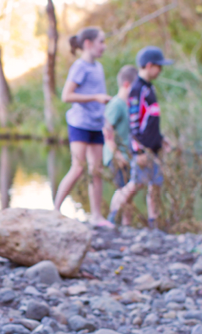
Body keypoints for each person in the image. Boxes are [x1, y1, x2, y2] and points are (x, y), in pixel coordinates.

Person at [108, 46, 173, 229]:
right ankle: (112, 216)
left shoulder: (149, 88)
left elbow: (150, 121)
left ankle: (154, 223)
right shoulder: (137, 89)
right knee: (135, 185)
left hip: (154, 147)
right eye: (159, 66)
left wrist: (161, 139)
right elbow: (135, 123)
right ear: (150, 65)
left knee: (155, 185)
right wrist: (138, 150)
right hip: (142, 149)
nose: (160, 70)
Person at [54, 27, 113, 228]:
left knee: (96, 170)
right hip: (79, 123)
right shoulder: (80, 67)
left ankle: (96, 216)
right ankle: (55, 210)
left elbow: (101, 94)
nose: (104, 46)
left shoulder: (98, 68)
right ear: (88, 44)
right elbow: (66, 96)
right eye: (101, 42)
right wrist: (95, 98)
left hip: (96, 124)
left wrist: (105, 121)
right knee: (78, 168)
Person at [102, 64, 138, 226]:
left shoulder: (129, 105)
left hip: (127, 155)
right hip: (116, 156)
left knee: (129, 192)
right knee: (123, 190)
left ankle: (126, 224)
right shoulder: (116, 104)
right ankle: (113, 218)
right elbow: (107, 131)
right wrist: (117, 155)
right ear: (126, 85)